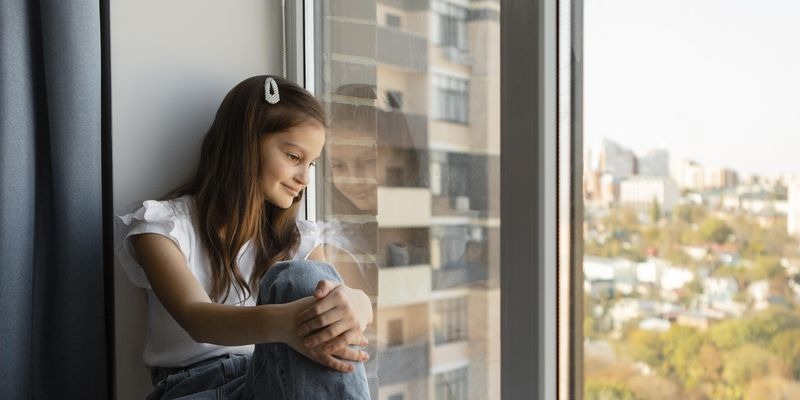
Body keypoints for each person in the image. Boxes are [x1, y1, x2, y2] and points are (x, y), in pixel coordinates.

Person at [115, 75, 373, 399]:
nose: (305, 178)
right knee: (305, 281)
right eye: (294, 157)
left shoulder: (297, 241)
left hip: (268, 379)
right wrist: (286, 324)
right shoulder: (163, 227)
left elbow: (336, 299)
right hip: (191, 388)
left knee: (307, 278)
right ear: (247, 145)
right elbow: (197, 318)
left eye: (312, 164)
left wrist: (359, 305)